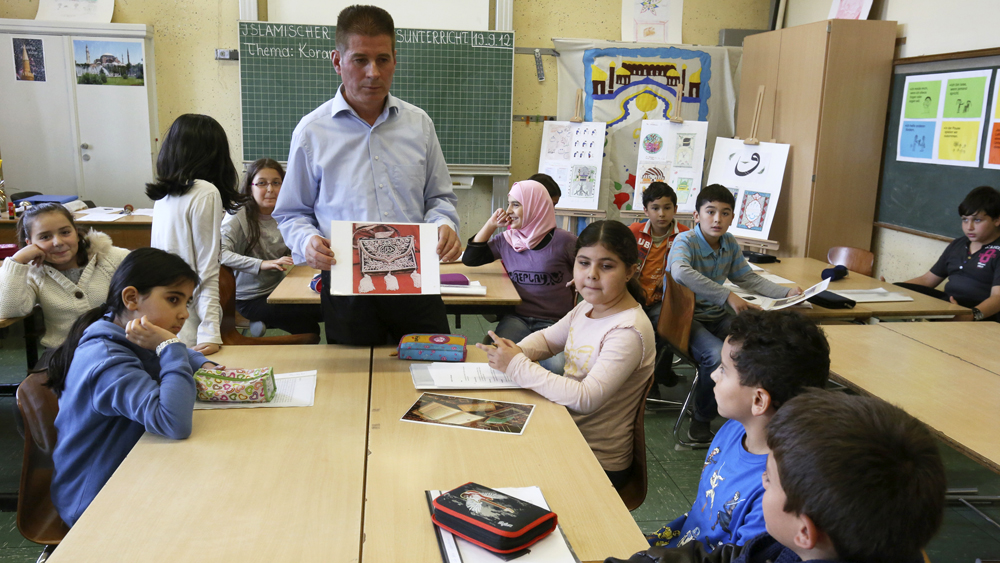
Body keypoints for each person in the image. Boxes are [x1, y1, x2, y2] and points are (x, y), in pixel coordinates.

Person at [273, 4, 460, 345]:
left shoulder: (419, 125)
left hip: (416, 281)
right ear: (337, 61)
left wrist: (444, 224)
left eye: (383, 59)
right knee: (354, 382)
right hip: (348, 288)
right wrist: (306, 242)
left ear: (394, 60)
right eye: (360, 59)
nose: (373, 72)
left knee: (434, 376)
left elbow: (439, 198)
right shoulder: (312, 133)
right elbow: (292, 212)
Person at [604, 390, 946, 563]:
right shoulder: (792, 544)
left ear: (805, 531)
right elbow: (739, 557)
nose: (761, 483)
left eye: (767, 481)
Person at [478, 220, 654, 488]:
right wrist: (517, 350)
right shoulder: (588, 306)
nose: (592, 274)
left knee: (493, 469)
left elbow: (585, 398)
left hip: (594, 459)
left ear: (630, 271)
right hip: (564, 430)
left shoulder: (628, 331)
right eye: (583, 263)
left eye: (606, 266)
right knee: (483, 440)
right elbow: (549, 338)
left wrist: (516, 365)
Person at [48, 248, 216, 527]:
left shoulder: (128, 334)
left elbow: (177, 355)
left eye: (186, 302)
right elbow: (172, 421)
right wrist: (170, 347)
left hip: (137, 468)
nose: (184, 314)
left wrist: (203, 364)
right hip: (97, 499)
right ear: (131, 298)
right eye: (173, 300)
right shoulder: (108, 359)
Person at [645, 310, 830, 550]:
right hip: (680, 545)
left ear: (758, 401)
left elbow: (743, 556)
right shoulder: (732, 429)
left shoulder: (774, 490)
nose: (712, 375)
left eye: (723, 369)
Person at [667, 184, 802, 443]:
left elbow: (746, 277)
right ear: (696, 216)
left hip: (717, 316)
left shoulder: (728, 242)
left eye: (725, 213)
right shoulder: (685, 240)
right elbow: (680, 272)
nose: (717, 219)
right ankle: (702, 419)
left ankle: (751, 410)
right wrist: (727, 296)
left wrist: (785, 294)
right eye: (710, 211)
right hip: (686, 320)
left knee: (756, 345)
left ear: (732, 216)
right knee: (717, 357)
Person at [147, 113, 247, 355]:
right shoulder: (205, 192)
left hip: (162, 312)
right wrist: (211, 332)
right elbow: (208, 269)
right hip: (189, 321)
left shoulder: (165, 196)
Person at [462, 179, 576, 372]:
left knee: (555, 368)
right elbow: (470, 258)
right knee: (499, 362)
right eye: (508, 204)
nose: (508, 211)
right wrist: (491, 224)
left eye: (516, 204)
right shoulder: (507, 240)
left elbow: (590, 264)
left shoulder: (564, 241)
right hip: (518, 318)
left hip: (555, 322)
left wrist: (581, 277)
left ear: (535, 207)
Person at [0, 203, 129, 350]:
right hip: (64, 353)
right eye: (45, 237)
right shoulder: (32, 273)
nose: (58, 242)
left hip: (119, 347)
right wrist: (17, 261)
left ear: (76, 232)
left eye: (65, 232)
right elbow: (9, 309)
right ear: (30, 243)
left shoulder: (110, 257)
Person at [220, 158, 321, 336]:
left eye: (276, 183)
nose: (270, 190)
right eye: (261, 183)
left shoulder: (288, 215)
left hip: (279, 289)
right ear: (250, 187)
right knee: (310, 325)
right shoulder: (237, 214)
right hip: (248, 298)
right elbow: (219, 254)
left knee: (328, 307)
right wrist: (262, 264)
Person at [896, 185, 1000, 322]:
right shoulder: (958, 244)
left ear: (997, 220)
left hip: (980, 316)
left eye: (977, 220)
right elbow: (927, 280)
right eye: (965, 220)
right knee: (898, 289)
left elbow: (997, 298)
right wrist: (891, 291)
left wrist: (971, 315)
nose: (969, 227)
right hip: (948, 308)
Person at [628, 181, 690, 390]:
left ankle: (656, 375)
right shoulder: (634, 231)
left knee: (664, 326)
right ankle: (650, 378)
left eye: (667, 208)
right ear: (645, 210)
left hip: (664, 301)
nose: (661, 214)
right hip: (633, 297)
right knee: (637, 331)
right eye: (655, 208)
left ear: (675, 209)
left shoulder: (685, 235)